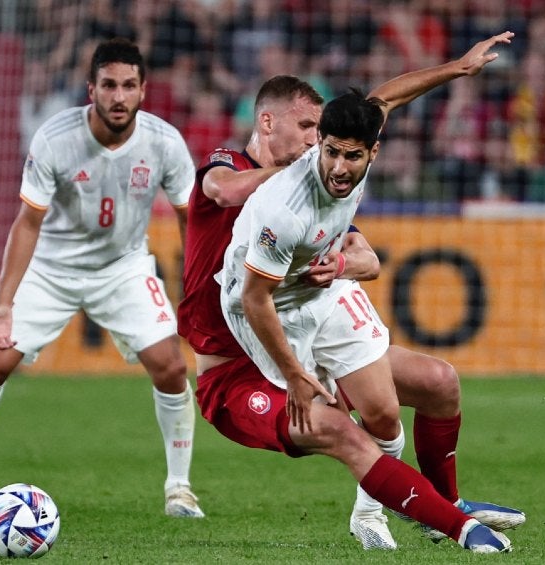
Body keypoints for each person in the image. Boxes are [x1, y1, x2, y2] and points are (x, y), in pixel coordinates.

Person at [181, 33, 522, 553]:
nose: (327, 148)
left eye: (338, 143)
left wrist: (458, 67)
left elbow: (382, 107)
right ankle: (449, 525)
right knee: (348, 433)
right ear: (270, 122)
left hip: (304, 319)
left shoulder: (337, 169)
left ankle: (437, 507)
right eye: (312, 132)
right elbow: (226, 196)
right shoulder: (253, 178)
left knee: (437, 384)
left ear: (370, 151)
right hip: (234, 361)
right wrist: (302, 165)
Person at [0, 38, 204, 520]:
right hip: (52, 268)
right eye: (108, 85)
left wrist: (195, 287)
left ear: (144, 90)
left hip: (123, 267)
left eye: (128, 86)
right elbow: (27, 222)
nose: (118, 96)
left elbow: (191, 218)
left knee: (171, 365)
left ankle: (180, 488)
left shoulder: (165, 142)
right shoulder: (55, 138)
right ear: (91, 89)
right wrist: (4, 302)